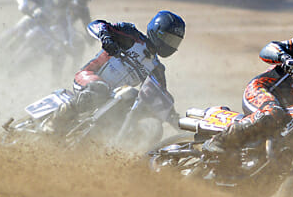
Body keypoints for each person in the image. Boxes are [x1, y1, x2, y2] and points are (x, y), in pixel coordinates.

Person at [43, 10, 186, 134]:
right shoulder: (132, 36)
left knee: (124, 114)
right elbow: (96, 25)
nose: (170, 45)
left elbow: (159, 96)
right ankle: (54, 122)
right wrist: (106, 38)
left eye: (175, 42)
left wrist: (174, 120)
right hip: (90, 77)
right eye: (169, 39)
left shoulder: (156, 68)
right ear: (157, 31)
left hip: (113, 97)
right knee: (99, 89)